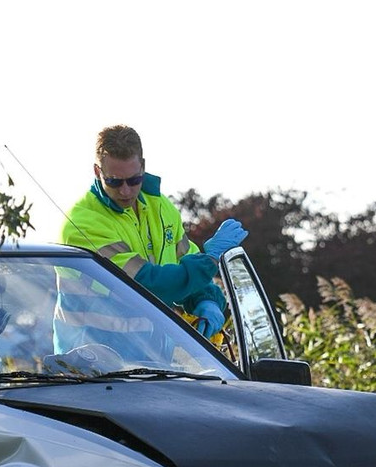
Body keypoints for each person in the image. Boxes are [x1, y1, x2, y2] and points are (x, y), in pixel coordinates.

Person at [58, 124, 247, 344]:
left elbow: (184, 261)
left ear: (143, 167)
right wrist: (209, 261)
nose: (125, 191)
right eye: (114, 181)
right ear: (97, 172)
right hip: (89, 357)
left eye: (134, 180)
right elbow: (145, 287)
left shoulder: (161, 208)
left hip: (152, 355)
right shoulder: (82, 224)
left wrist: (207, 300)